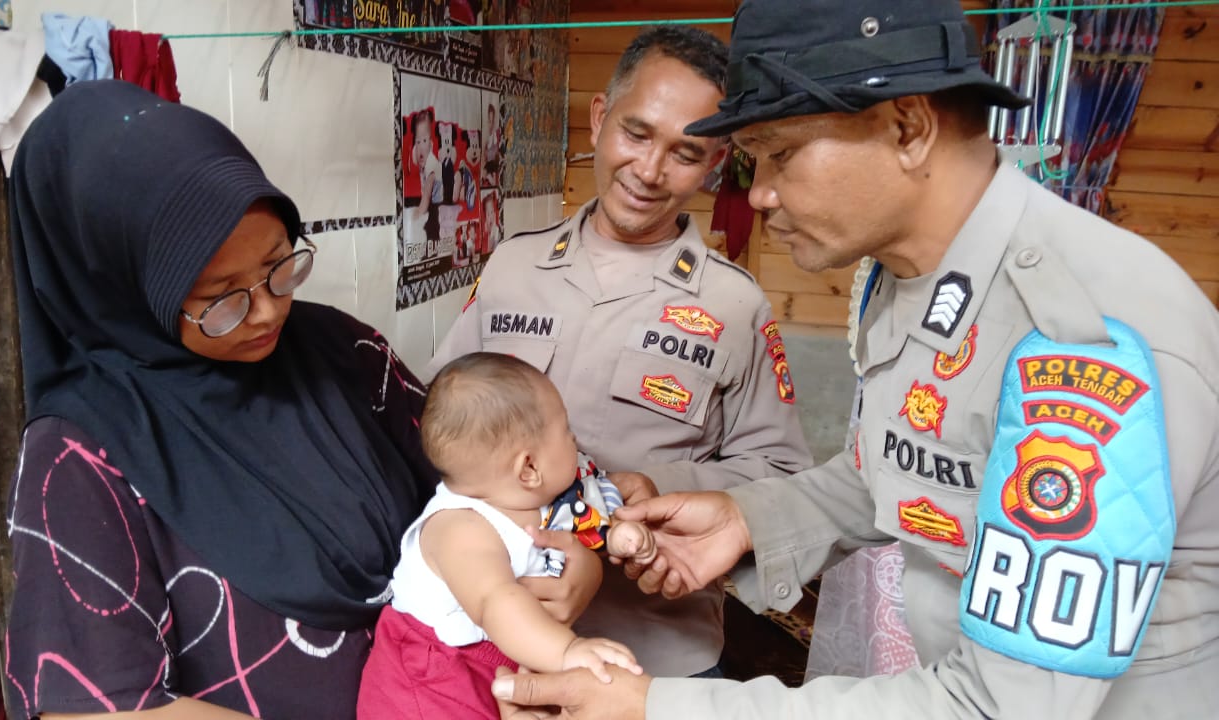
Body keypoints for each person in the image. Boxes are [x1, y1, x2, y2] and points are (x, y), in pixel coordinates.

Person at [492, 0, 1219, 717]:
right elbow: (903, 471)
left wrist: (655, 707)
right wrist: (749, 520)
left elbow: (1000, 706)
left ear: (908, 128)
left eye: (781, 153)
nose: (760, 194)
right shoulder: (907, 278)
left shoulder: (1080, 339)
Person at [0, 80, 598, 720]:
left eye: (280, 266)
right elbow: (93, 707)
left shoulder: (343, 351)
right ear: (120, 286)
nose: (266, 312)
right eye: (220, 299)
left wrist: (579, 568)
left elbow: (494, 477)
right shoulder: (79, 452)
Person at [429, 25, 813, 679]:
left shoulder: (735, 305)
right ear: (600, 118)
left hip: (656, 657)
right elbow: (440, 424)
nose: (650, 171)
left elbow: (783, 477)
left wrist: (662, 487)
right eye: (636, 134)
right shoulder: (512, 268)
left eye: (685, 153)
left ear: (714, 162)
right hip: (494, 646)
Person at [358, 353, 655, 719]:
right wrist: (567, 651)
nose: (575, 439)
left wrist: (623, 518)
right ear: (528, 468)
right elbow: (495, 602)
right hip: (433, 674)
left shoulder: (530, 496)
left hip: (502, 649)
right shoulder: (460, 528)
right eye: (566, 430)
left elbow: (593, 506)